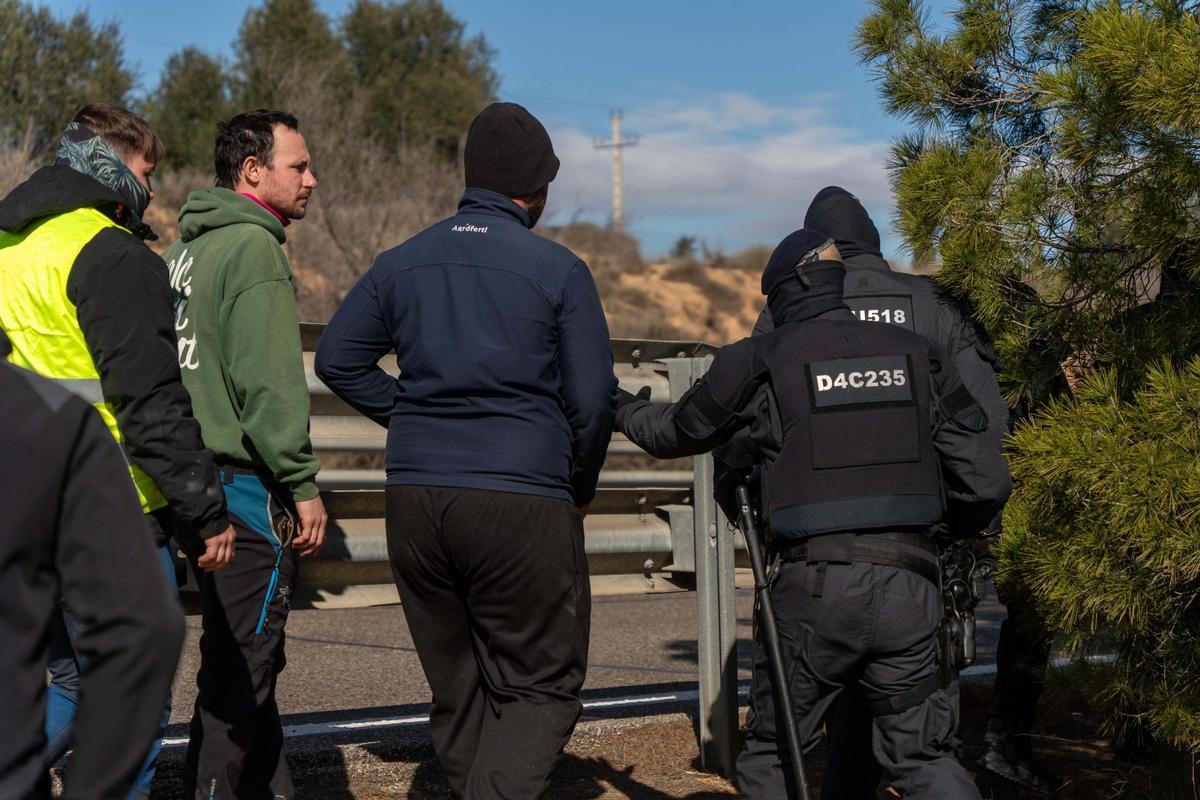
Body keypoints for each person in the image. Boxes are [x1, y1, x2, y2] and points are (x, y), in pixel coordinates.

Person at [618, 228, 1011, 799]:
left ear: (778, 297)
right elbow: (986, 479)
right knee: (924, 758)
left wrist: (619, 408)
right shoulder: (919, 355)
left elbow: (675, 431)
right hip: (914, 587)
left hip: (815, 591)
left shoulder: (758, 358)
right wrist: (940, 543)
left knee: (775, 753)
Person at [316, 101, 618, 798]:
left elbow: (337, 358)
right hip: (521, 499)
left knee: (459, 687)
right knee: (543, 687)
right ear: (536, 190)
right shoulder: (558, 270)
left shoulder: (401, 262)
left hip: (417, 503)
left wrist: (415, 416)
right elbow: (595, 399)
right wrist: (576, 483)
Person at [0, 103, 235, 796]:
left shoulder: (9, 246)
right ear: (108, 166)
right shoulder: (112, 255)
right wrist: (204, 512)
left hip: (18, 504)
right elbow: (151, 402)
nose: (153, 188)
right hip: (107, 511)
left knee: (65, 677)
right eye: (146, 170)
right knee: (133, 692)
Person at [753, 186, 1018, 796]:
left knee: (808, 711)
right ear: (873, 243)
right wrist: (959, 525)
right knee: (921, 731)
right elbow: (987, 431)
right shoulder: (938, 305)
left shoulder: (791, 310)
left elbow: (755, 421)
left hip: (817, 558)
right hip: (924, 549)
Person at [162, 109, 327, 800]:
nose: (312, 180)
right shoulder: (256, 250)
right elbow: (268, 381)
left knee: (244, 657)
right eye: (299, 166)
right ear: (252, 171)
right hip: (244, 488)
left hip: (186, 479)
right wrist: (302, 480)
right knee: (239, 671)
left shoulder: (186, 252)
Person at [0, 328, 185, 799]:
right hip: (105, 495)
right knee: (78, 678)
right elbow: (143, 632)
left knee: (69, 679)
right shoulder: (48, 417)